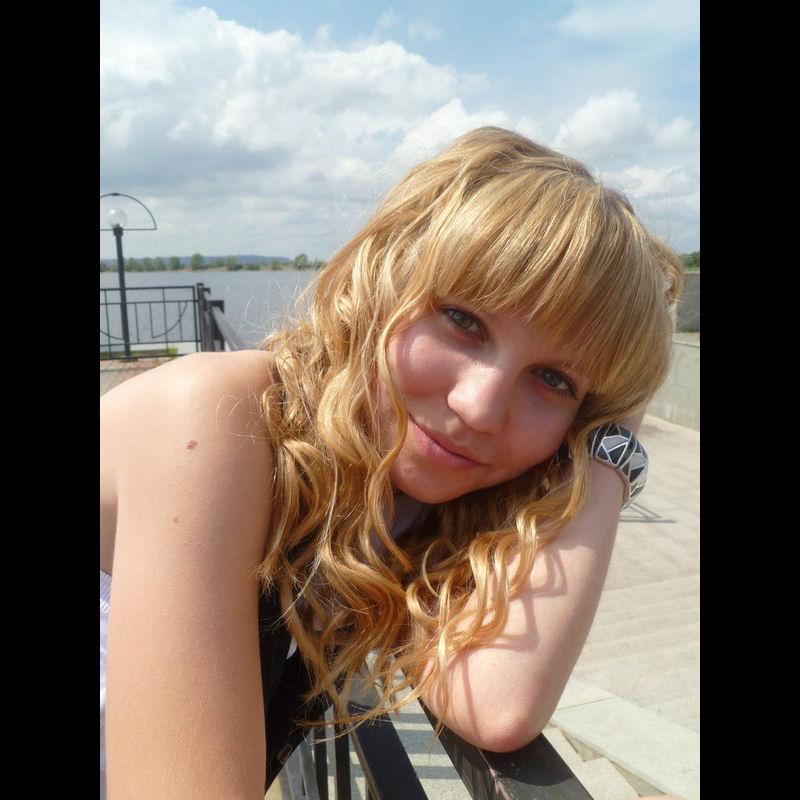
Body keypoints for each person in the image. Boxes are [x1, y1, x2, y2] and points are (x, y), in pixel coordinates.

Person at [100, 126, 684, 799]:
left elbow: (498, 703)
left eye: (554, 380)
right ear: (380, 285)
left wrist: (611, 445)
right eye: (462, 320)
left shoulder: (410, 503)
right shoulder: (209, 419)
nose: (479, 408)